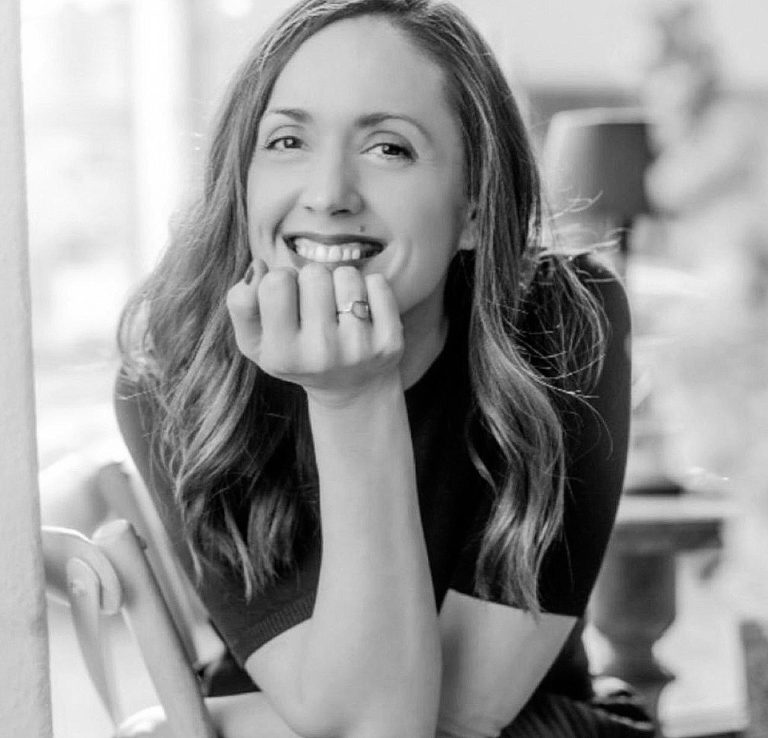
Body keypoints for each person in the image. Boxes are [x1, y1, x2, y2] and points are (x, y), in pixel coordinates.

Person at [115, 1, 647, 736]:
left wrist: (352, 397)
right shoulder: (177, 371)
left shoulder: (564, 319)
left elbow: (446, 720)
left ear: (474, 207)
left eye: (389, 148)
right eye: (288, 140)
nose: (328, 195)